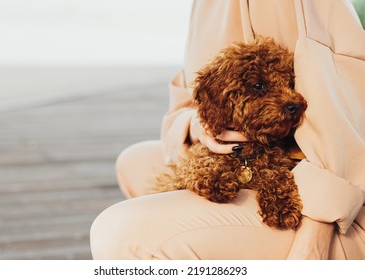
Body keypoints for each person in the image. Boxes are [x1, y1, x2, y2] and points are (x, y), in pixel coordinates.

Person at [90, 0, 365, 259]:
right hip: (237, 159)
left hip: (329, 204)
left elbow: (349, 124)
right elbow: (190, 94)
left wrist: (313, 243)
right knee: (134, 162)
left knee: (120, 233)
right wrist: (198, 125)